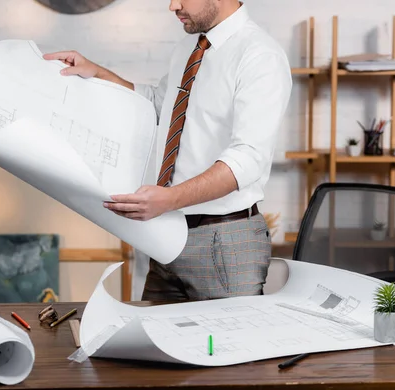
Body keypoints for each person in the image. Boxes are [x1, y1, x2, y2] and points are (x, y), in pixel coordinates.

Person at [43, 0, 292, 301]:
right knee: (157, 344)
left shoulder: (259, 56)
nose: (173, 6)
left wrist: (169, 199)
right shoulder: (190, 48)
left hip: (223, 243)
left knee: (228, 346)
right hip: (167, 236)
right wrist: (96, 72)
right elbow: (161, 107)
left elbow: (248, 158)